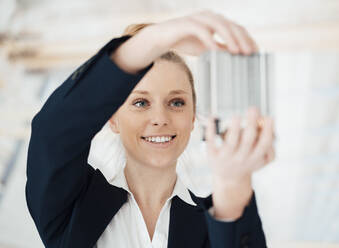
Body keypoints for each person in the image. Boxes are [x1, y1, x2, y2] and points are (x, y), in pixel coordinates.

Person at [25, 10, 275, 248]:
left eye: (176, 102)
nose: (160, 118)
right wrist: (155, 39)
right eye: (140, 102)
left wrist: (231, 184)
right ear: (111, 118)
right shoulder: (73, 209)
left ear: (192, 117)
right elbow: (52, 134)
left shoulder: (215, 223)